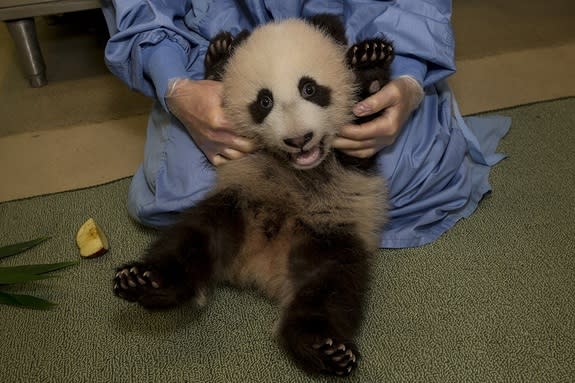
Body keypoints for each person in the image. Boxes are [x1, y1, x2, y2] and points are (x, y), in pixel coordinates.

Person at [101, 0, 510, 248]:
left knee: (407, 168)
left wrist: (407, 78)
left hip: (357, 45)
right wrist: (179, 89)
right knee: (187, 190)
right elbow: (145, 10)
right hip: (221, 51)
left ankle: (374, 79)